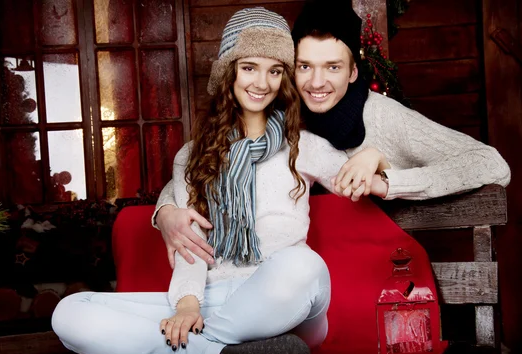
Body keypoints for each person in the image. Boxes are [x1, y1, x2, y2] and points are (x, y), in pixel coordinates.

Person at [52, 7, 380, 354]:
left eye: (275, 71)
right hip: (214, 299)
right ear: (228, 72)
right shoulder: (192, 156)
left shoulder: (302, 145)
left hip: (283, 301)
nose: (262, 82)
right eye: (249, 67)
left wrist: (371, 157)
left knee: (303, 265)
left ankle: (197, 351)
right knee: (70, 313)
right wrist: (188, 306)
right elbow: (190, 244)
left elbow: (367, 180)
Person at [153, 1, 511, 268]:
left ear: (354, 71)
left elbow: (490, 163)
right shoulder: (282, 115)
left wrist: (385, 174)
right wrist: (166, 211)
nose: (317, 82)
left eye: (333, 67)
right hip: (297, 268)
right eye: (305, 66)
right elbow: (214, 158)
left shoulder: (383, 116)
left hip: (366, 266)